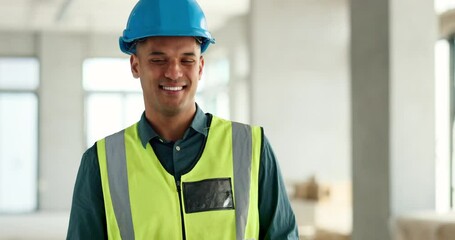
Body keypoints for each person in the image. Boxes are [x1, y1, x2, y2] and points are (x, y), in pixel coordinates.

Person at [66, 0, 299, 239]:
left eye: (186, 60)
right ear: (135, 65)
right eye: (158, 60)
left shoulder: (251, 149)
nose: (174, 72)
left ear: (200, 67)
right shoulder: (102, 163)